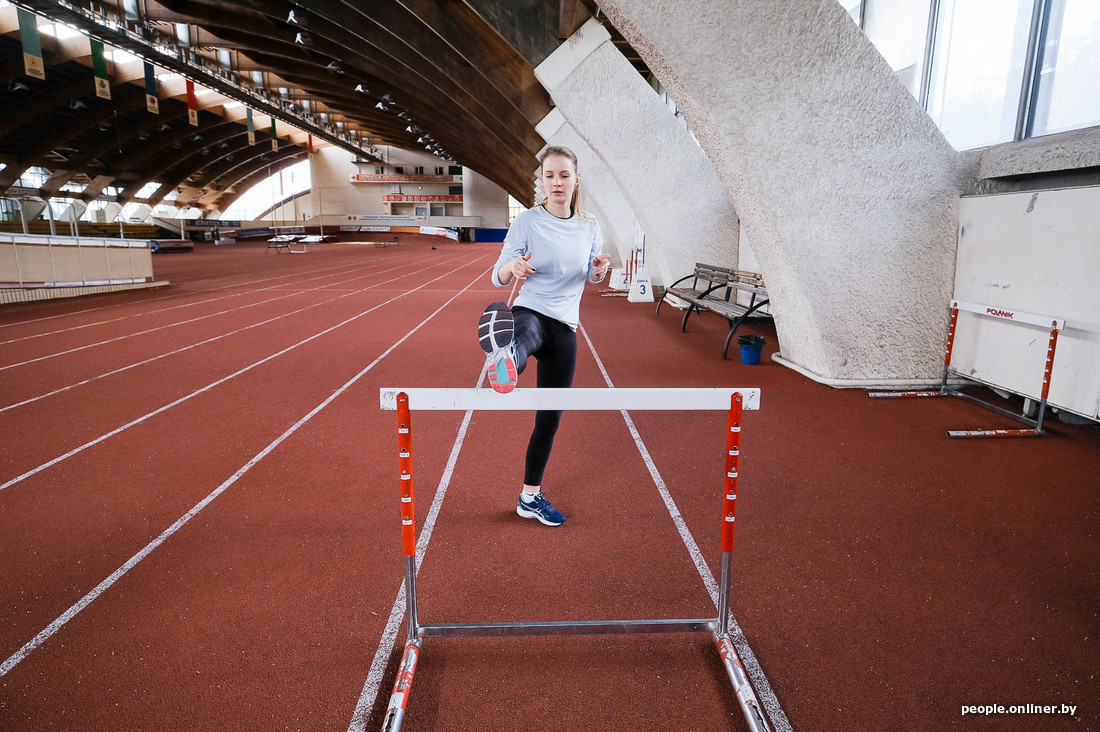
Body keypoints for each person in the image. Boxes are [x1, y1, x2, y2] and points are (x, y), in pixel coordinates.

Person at [477, 145, 611, 527]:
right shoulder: (528, 222)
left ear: (576, 180)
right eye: (549, 175)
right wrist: (512, 268)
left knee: (549, 420)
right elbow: (498, 273)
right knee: (524, 338)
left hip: (567, 325)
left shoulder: (589, 225)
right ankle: (505, 361)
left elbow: (591, 275)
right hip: (531, 310)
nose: (556, 182)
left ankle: (529, 497)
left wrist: (599, 269)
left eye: (563, 175)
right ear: (541, 181)